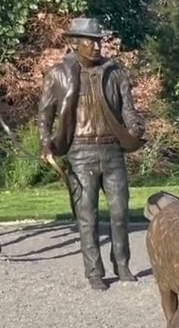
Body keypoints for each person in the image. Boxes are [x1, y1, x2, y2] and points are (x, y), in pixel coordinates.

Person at [37, 16, 146, 291]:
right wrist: (46, 143)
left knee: (120, 212)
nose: (97, 46)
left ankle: (121, 264)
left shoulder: (115, 73)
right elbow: (44, 115)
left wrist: (135, 127)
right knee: (87, 215)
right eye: (91, 41)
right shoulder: (58, 74)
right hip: (80, 152)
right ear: (74, 44)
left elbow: (128, 110)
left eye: (99, 41)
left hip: (112, 151)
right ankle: (94, 271)